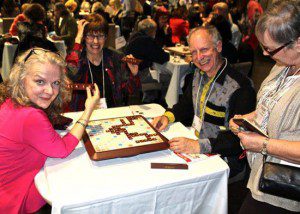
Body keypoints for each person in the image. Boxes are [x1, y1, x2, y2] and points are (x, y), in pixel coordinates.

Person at [0, 48, 100, 213]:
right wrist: (88, 110)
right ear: (21, 79)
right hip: (16, 197)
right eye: (40, 81)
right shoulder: (30, 116)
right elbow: (62, 149)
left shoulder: (11, 102)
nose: (50, 91)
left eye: (56, 83)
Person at [152, 26, 256, 177]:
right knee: (159, 165)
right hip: (196, 143)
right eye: (194, 52)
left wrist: (198, 146)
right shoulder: (198, 74)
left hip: (224, 157)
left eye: (204, 50)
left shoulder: (241, 87)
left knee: (173, 178)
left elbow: (239, 138)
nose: (199, 57)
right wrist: (167, 116)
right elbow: (186, 104)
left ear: (218, 47)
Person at [229, 1, 300, 212]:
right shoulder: (283, 66)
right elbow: (269, 107)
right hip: (262, 176)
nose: (266, 55)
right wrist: (249, 119)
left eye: (270, 49)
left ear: (298, 43)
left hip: (286, 186)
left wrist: (263, 145)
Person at [66, 14, 141, 111]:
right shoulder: (77, 58)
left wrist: (134, 75)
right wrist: (77, 39)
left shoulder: (116, 58)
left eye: (100, 36)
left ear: (106, 38)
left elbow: (129, 91)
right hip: (83, 115)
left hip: (111, 114)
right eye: (90, 36)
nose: (96, 41)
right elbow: (72, 74)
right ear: (84, 37)